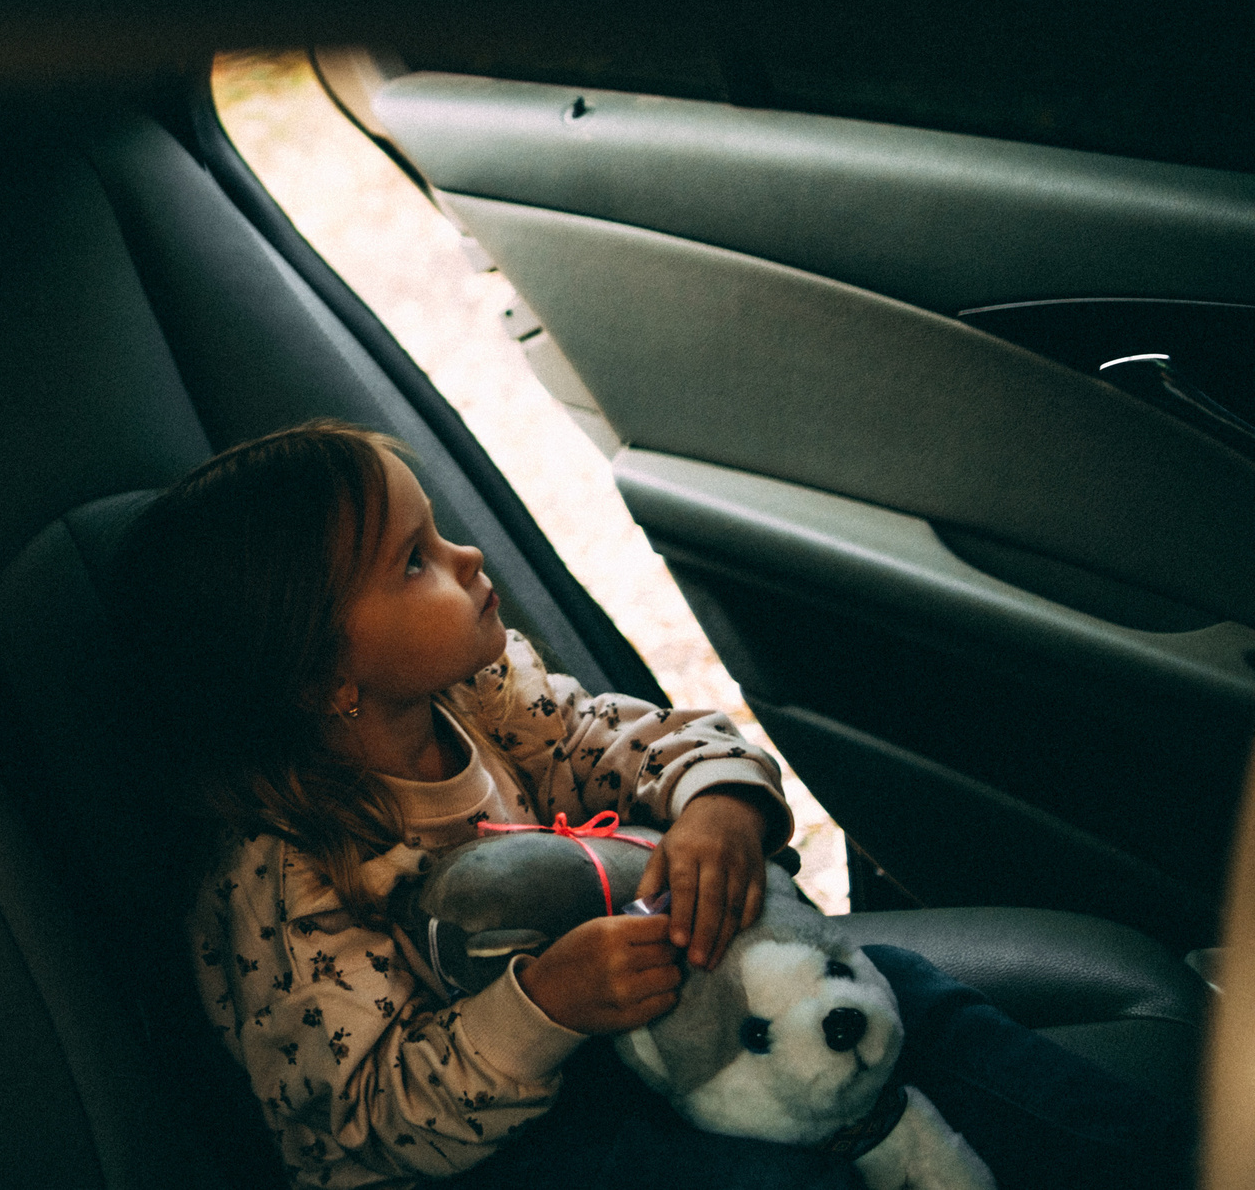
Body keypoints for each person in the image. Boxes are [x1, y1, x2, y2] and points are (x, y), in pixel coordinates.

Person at [119, 420, 1196, 1189]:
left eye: (438, 533)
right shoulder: (285, 871)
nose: (466, 558)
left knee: (898, 997)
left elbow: (627, 742)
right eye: (415, 562)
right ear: (322, 680)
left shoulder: (484, 698)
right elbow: (365, 1126)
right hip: (484, 1153)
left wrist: (716, 800)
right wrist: (540, 1006)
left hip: (631, 1034)